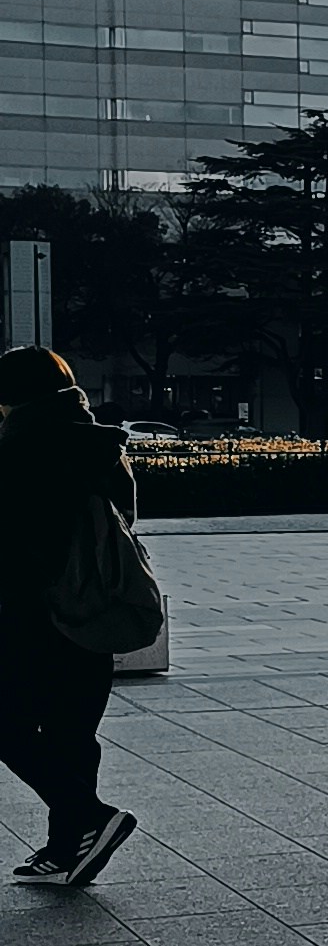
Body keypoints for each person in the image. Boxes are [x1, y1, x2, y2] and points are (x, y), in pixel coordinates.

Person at [0, 346, 140, 890]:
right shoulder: (102, 445)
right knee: (72, 731)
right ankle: (67, 851)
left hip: (33, 614)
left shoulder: (23, 451)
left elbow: (18, 546)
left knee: (7, 725)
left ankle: (88, 817)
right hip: (94, 608)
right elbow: (124, 518)